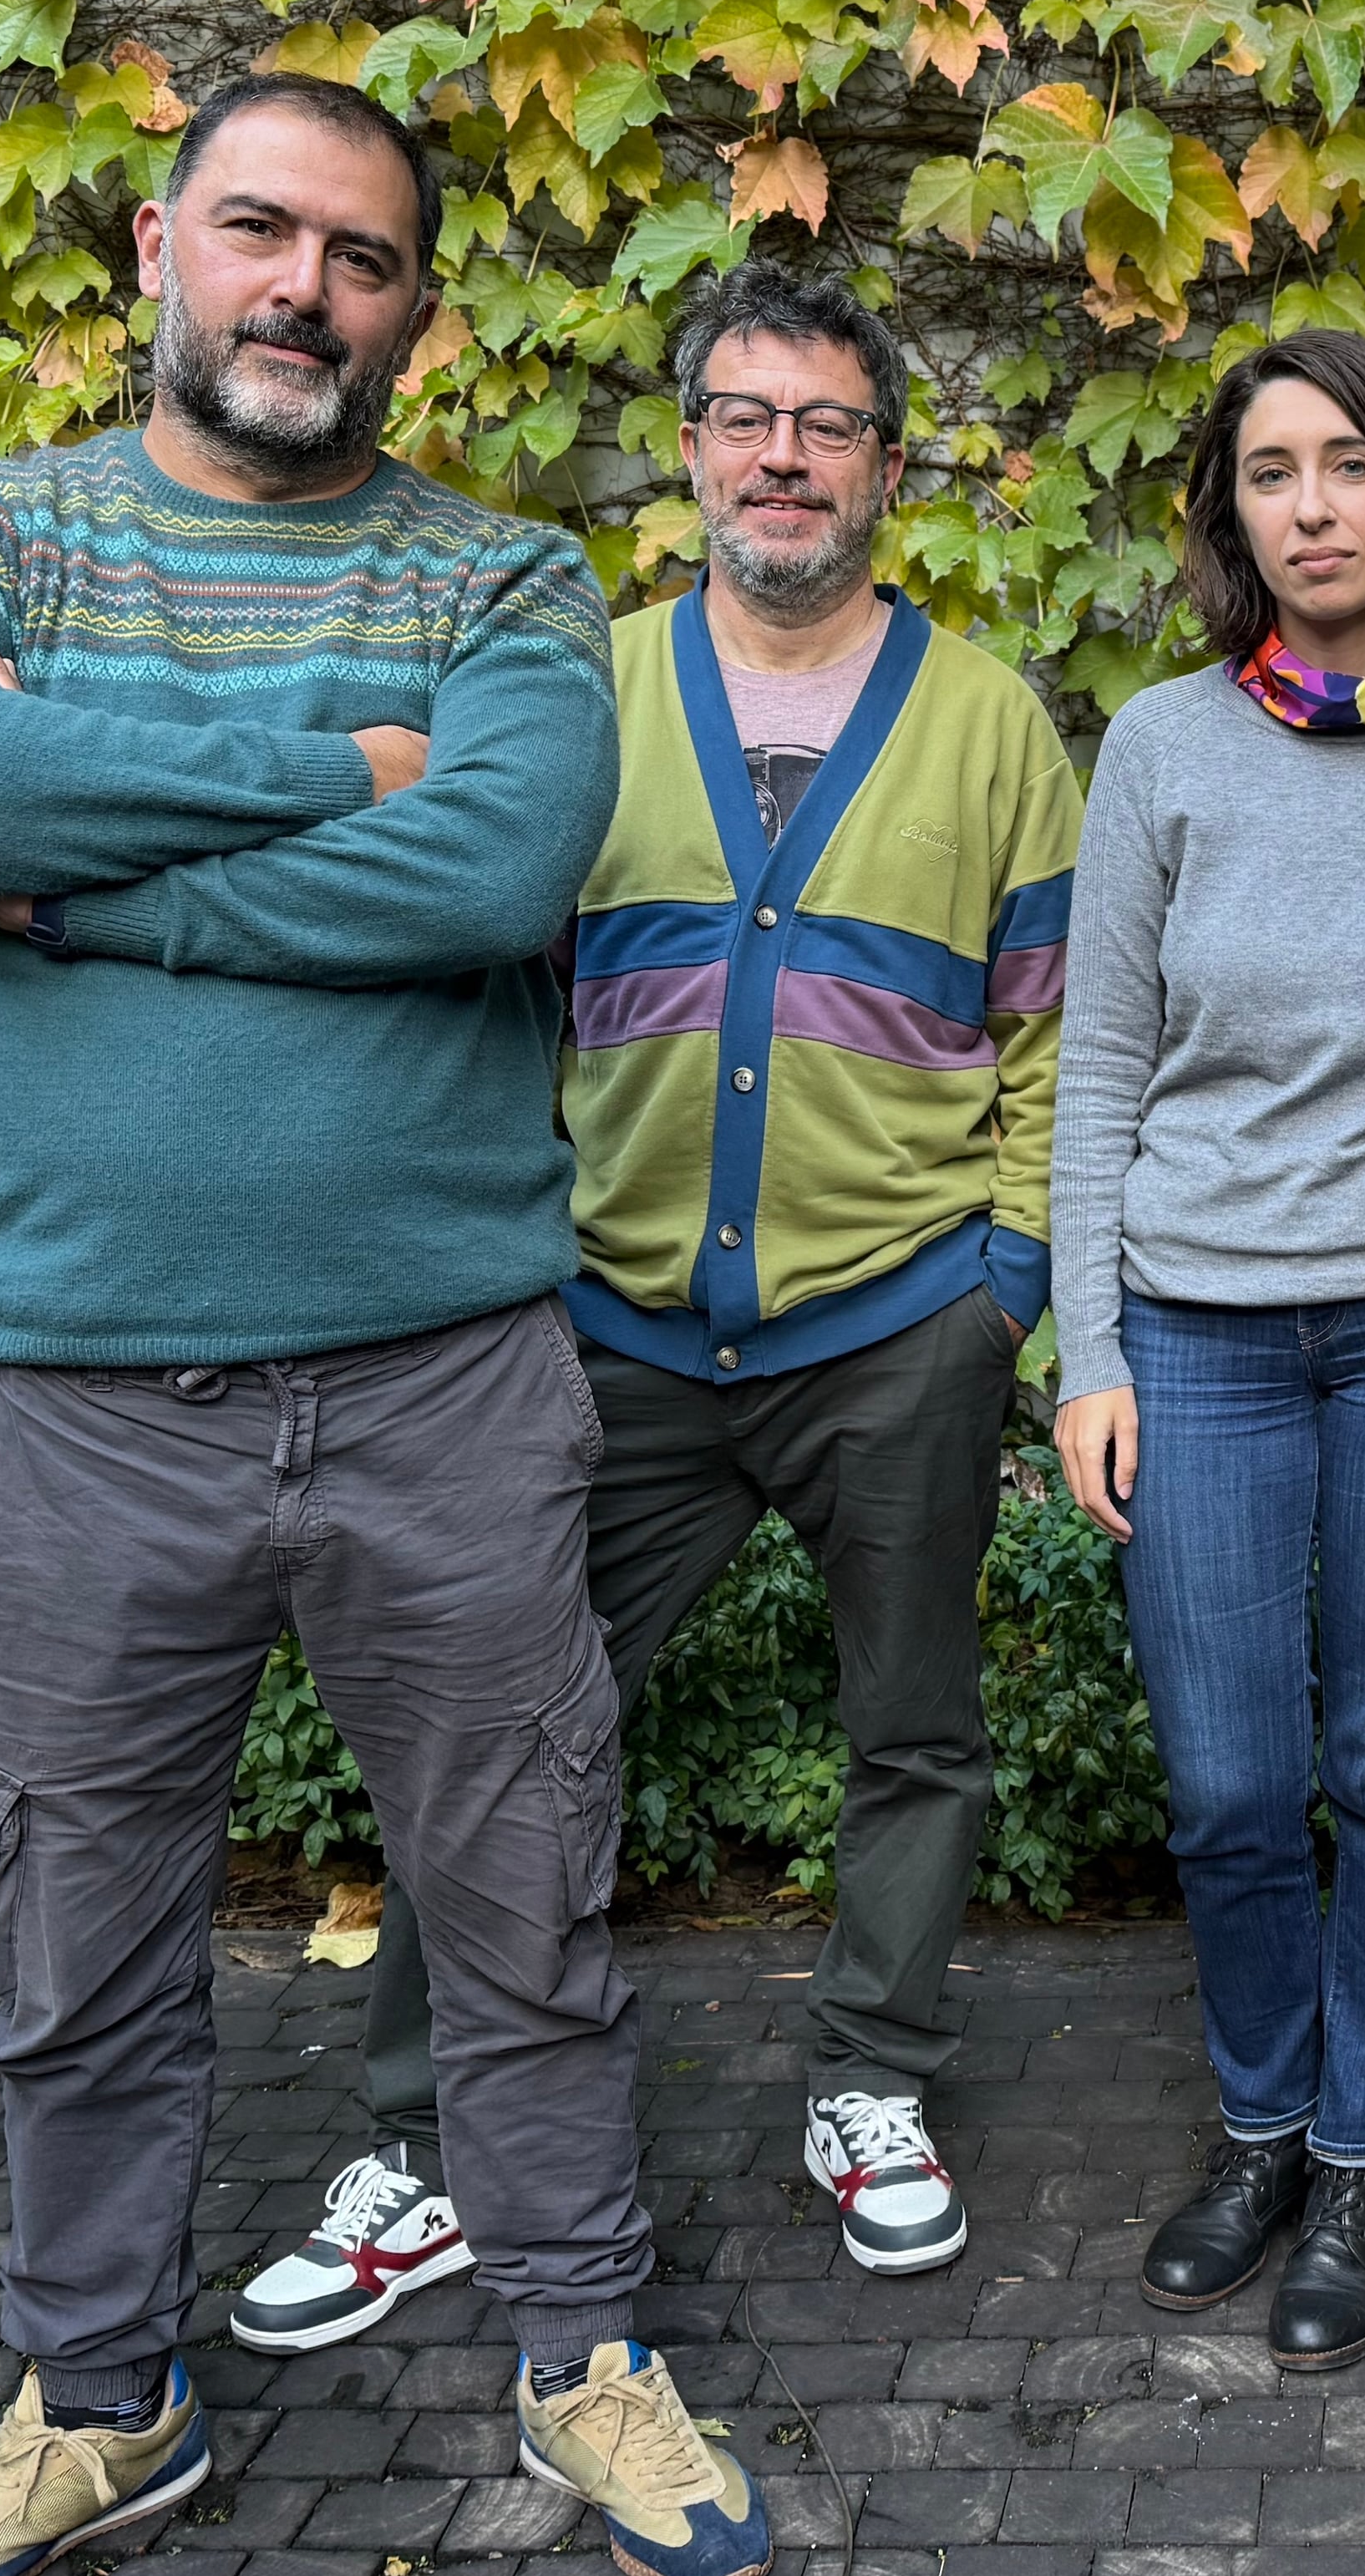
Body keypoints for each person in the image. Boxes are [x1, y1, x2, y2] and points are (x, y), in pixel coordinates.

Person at [0, 75, 765, 2576]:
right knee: (74, 1924)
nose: (301, 291)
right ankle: (101, 2391)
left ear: (414, 308)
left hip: (447, 1373)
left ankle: (581, 2340)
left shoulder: (503, 576)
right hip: (80, 1391)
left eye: (359, 256)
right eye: (259, 230)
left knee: (526, 1884)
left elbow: (489, 860)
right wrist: (307, 780)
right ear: (159, 240)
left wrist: (73, 872)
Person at [259, 262, 1079, 2306]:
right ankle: (428, 2142)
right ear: (689, 447)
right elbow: (473, 986)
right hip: (612, 1327)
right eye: (744, 416)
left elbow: (1062, 1032)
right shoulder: (579, 694)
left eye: (826, 425)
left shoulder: (988, 722)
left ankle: (871, 2079)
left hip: (900, 1327)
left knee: (918, 1731)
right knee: (508, 1737)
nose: (783, 458)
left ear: (885, 465)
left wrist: (1007, 1281)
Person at [1048, 331, 1365, 2371]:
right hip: (1198, 1326)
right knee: (1234, 1773)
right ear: (1230, 515)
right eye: (1272, 472)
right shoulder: (1161, 748)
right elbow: (1096, 1065)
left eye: (1350, 464)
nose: (1314, 505)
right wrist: (1089, 1348)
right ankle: (1256, 2124)